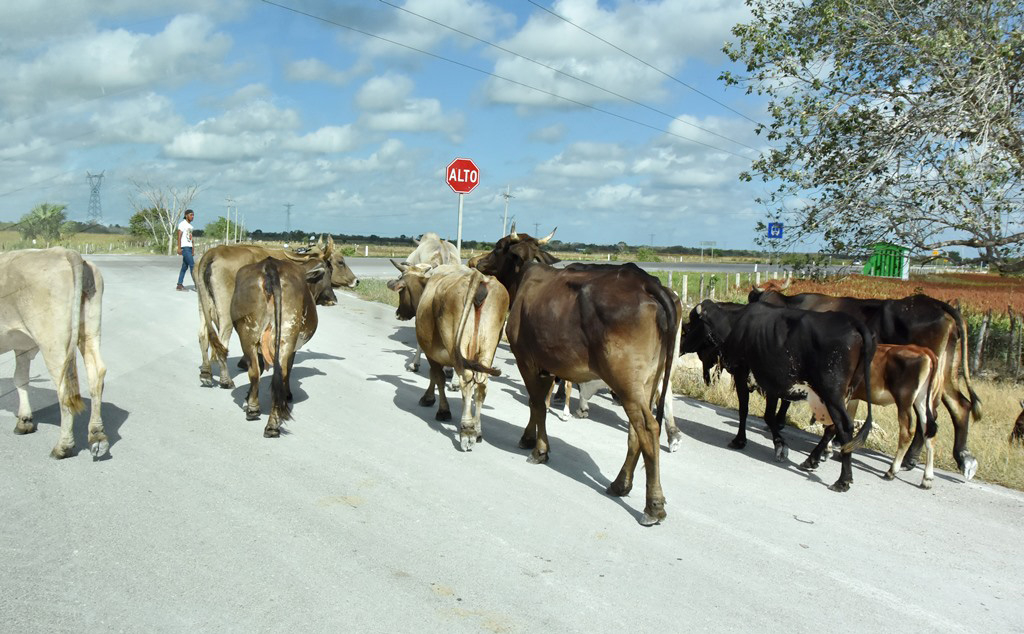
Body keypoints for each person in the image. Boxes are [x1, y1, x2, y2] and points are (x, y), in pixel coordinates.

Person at [176, 209, 195, 291]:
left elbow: (191, 239)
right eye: (191, 215)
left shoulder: (190, 226)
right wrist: (179, 248)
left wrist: (193, 249)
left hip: (189, 248)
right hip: (185, 248)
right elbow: (179, 236)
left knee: (184, 267)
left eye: (193, 215)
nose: (192, 217)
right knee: (192, 265)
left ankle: (179, 285)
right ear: (186, 215)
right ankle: (197, 284)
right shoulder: (182, 224)